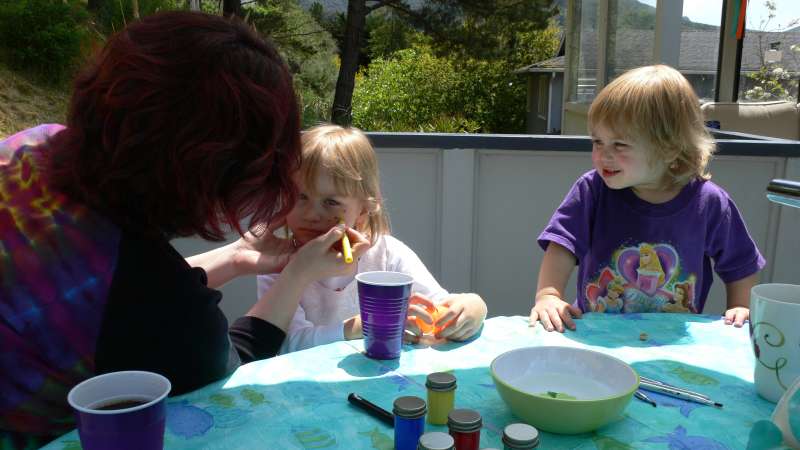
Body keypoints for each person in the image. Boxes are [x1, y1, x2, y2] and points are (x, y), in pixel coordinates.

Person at [0, 12, 368, 448]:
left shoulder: (35, 143)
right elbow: (226, 364)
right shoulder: (156, 302)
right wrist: (298, 274)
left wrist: (235, 257)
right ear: (215, 172)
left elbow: (116, 289)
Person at [529, 65, 765, 333]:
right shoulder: (592, 190)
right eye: (597, 142)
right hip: (598, 334)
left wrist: (740, 306)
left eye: (619, 145)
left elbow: (741, 263)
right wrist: (548, 295)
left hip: (671, 341)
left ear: (669, 149)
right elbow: (562, 247)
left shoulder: (709, 202)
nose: (603, 155)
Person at [256, 124, 488, 353]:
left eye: (331, 202)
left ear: (364, 208)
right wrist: (363, 326)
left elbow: (439, 307)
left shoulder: (387, 254)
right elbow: (288, 344)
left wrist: (474, 306)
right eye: (300, 197)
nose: (311, 214)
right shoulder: (275, 264)